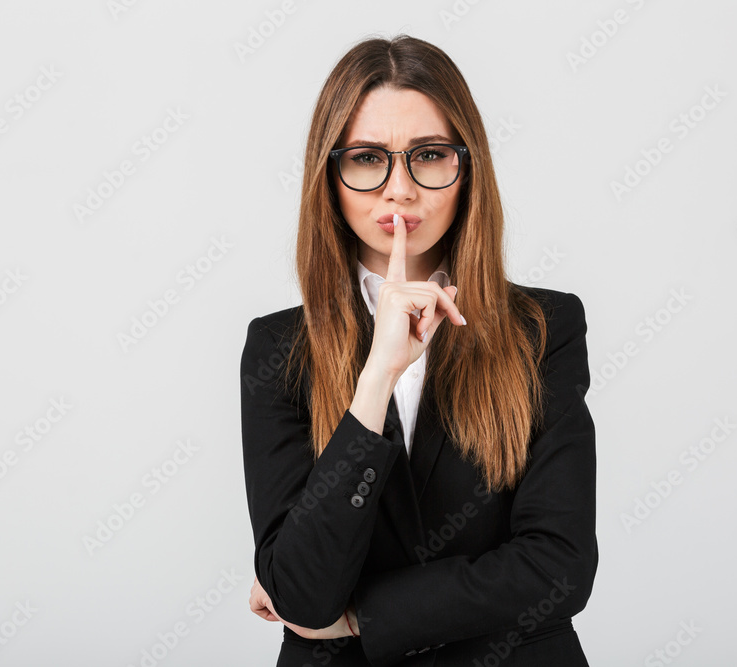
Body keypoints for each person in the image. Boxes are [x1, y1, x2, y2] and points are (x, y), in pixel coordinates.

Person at [241, 33, 597, 666]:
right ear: (329, 176)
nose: (399, 189)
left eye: (429, 155)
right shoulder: (278, 350)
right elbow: (300, 592)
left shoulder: (544, 328)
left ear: (467, 168)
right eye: (367, 158)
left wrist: (363, 618)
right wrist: (376, 377)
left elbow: (558, 566)